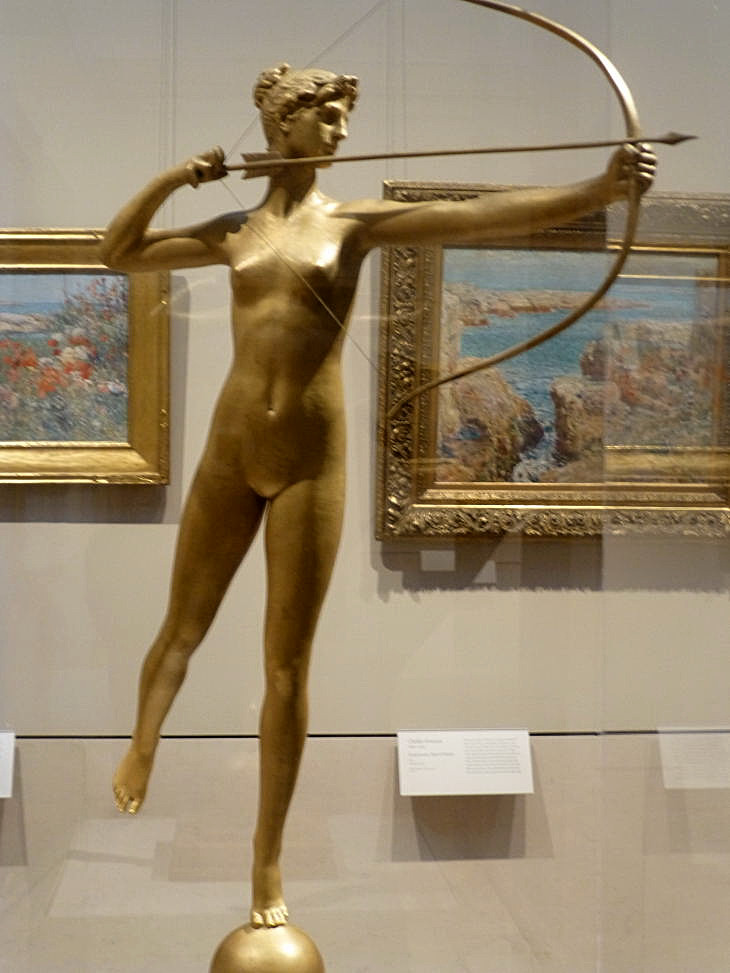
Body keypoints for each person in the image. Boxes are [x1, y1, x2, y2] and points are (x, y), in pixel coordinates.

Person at [101, 63, 655, 929]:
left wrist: (601, 188)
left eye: (343, 117)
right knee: (181, 628)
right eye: (325, 116)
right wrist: (176, 176)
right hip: (230, 453)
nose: (341, 132)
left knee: (286, 667)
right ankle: (142, 743)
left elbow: (480, 216)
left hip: (310, 463)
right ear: (281, 124)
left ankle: (267, 859)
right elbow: (119, 251)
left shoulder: (353, 225)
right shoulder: (233, 228)